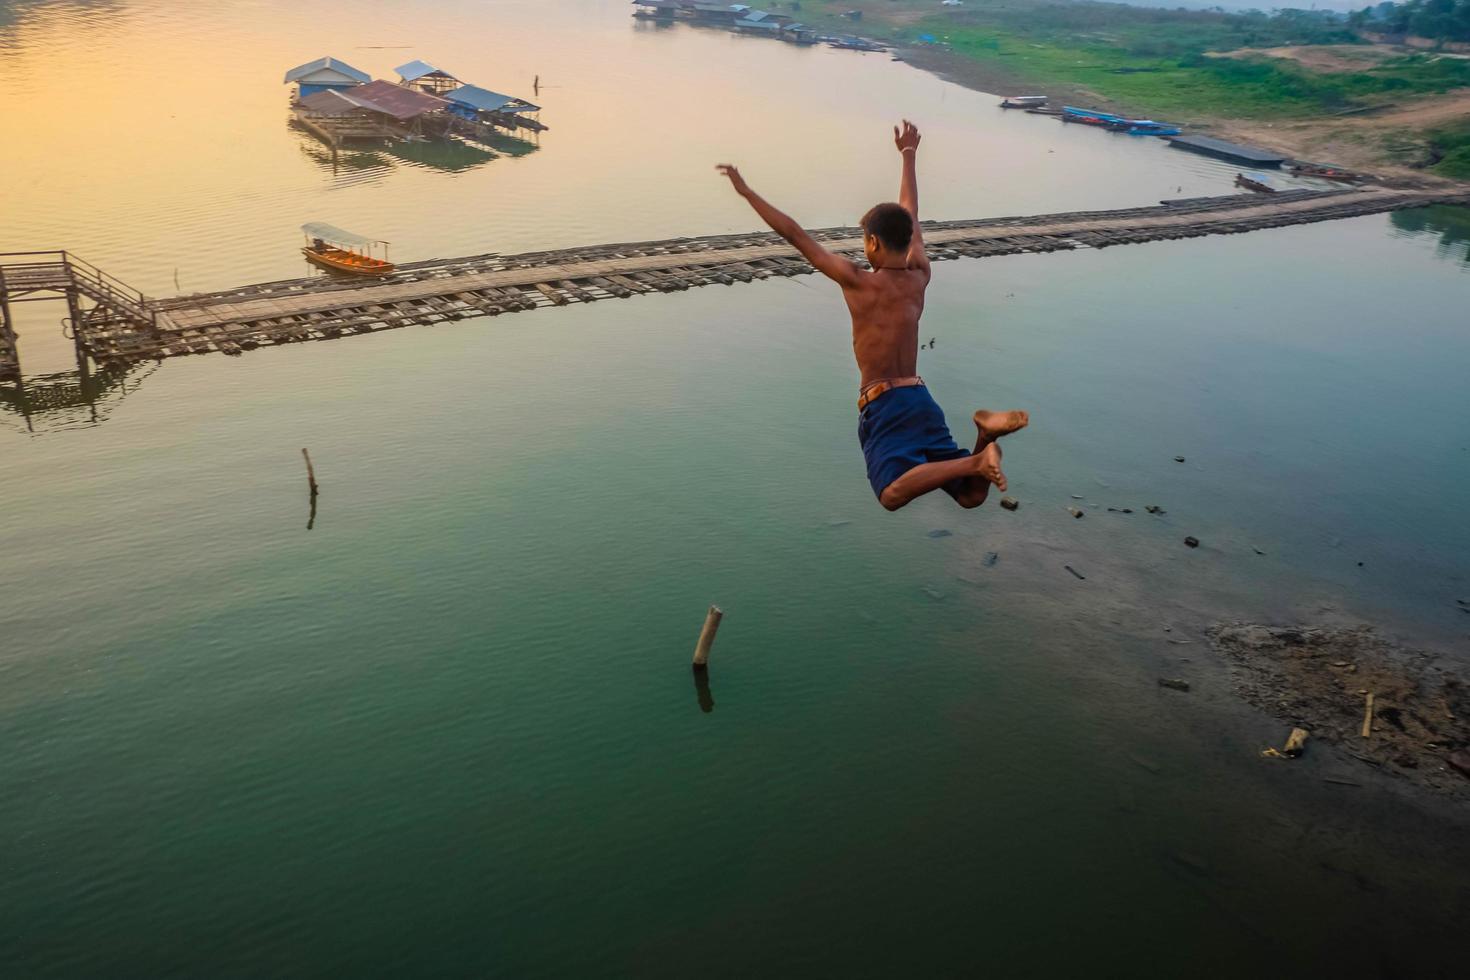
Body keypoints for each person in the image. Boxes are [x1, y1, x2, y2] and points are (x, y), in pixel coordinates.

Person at [716, 120, 1028, 511]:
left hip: (886, 404)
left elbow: (795, 235)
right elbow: (911, 215)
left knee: (891, 493)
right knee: (969, 495)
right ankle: (984, 437)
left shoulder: (858, 282)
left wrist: (747, 193)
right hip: (919, 397)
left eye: (865, 240)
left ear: (874, 243)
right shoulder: (919, 275)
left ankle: (977, 459)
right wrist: (909, 154)